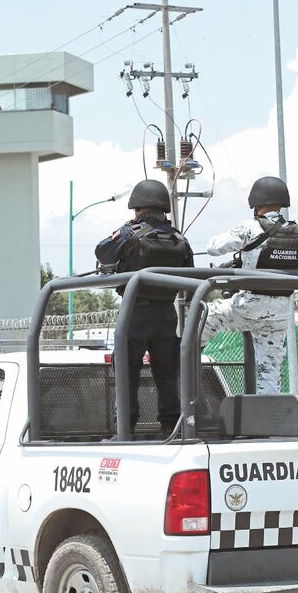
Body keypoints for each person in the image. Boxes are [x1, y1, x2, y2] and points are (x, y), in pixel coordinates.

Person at [95, 179, 194, 436]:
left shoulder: (130, 233)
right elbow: (190, 275)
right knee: (167, 374)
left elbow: (102, 252)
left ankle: (125, 428)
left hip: (134, 313)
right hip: (165, 315)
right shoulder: (178, 238)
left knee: (127, 374)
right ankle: (171, 426)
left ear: (137, 208)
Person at [202, 176, 298, 394]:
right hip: (280, 313)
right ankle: (269, 421)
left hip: (249, 306)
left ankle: (186, 362)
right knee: (270, 371)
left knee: (205, 315)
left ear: (256, 203)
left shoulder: (249, 229)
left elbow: (212, 247)